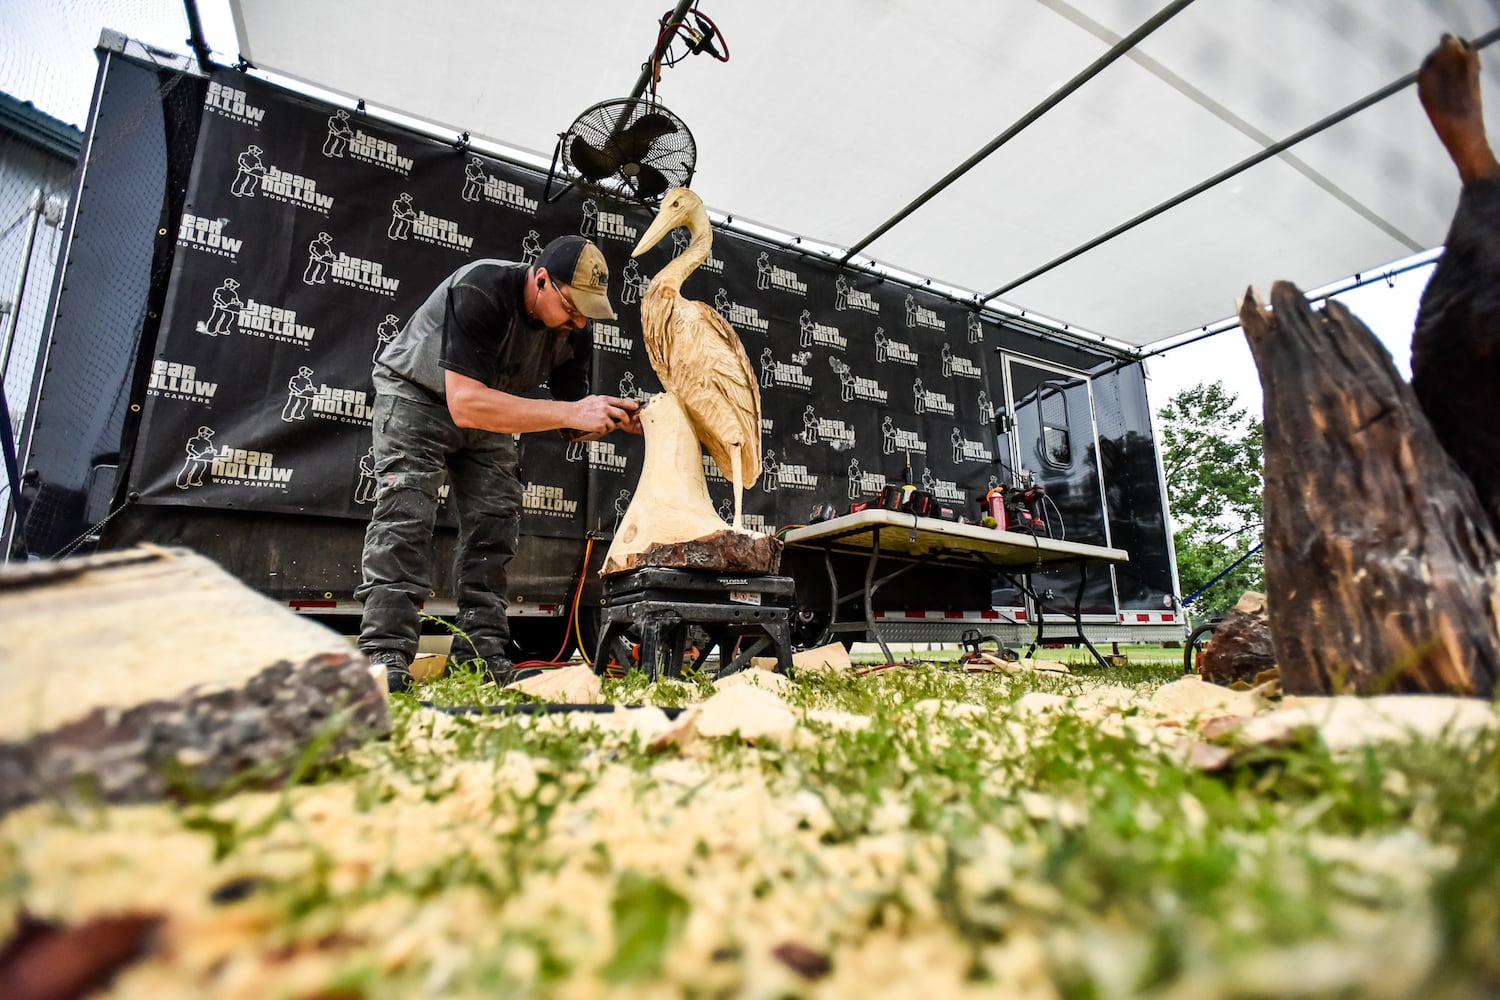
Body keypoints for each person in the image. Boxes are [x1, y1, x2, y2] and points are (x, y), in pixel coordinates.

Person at [358, 235, 641, 692]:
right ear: (543, 280)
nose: (579, 320)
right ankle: (384, 652)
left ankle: (480, 654)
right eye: (572, 307)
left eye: (587, 312)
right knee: (406, 514)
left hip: (487, 409)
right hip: (417, 396)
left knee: (495, 521)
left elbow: (571, 421)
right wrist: (573, 412)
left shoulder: (574, 330)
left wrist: (610, 419)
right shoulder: (483, 288)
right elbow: (467, 403)